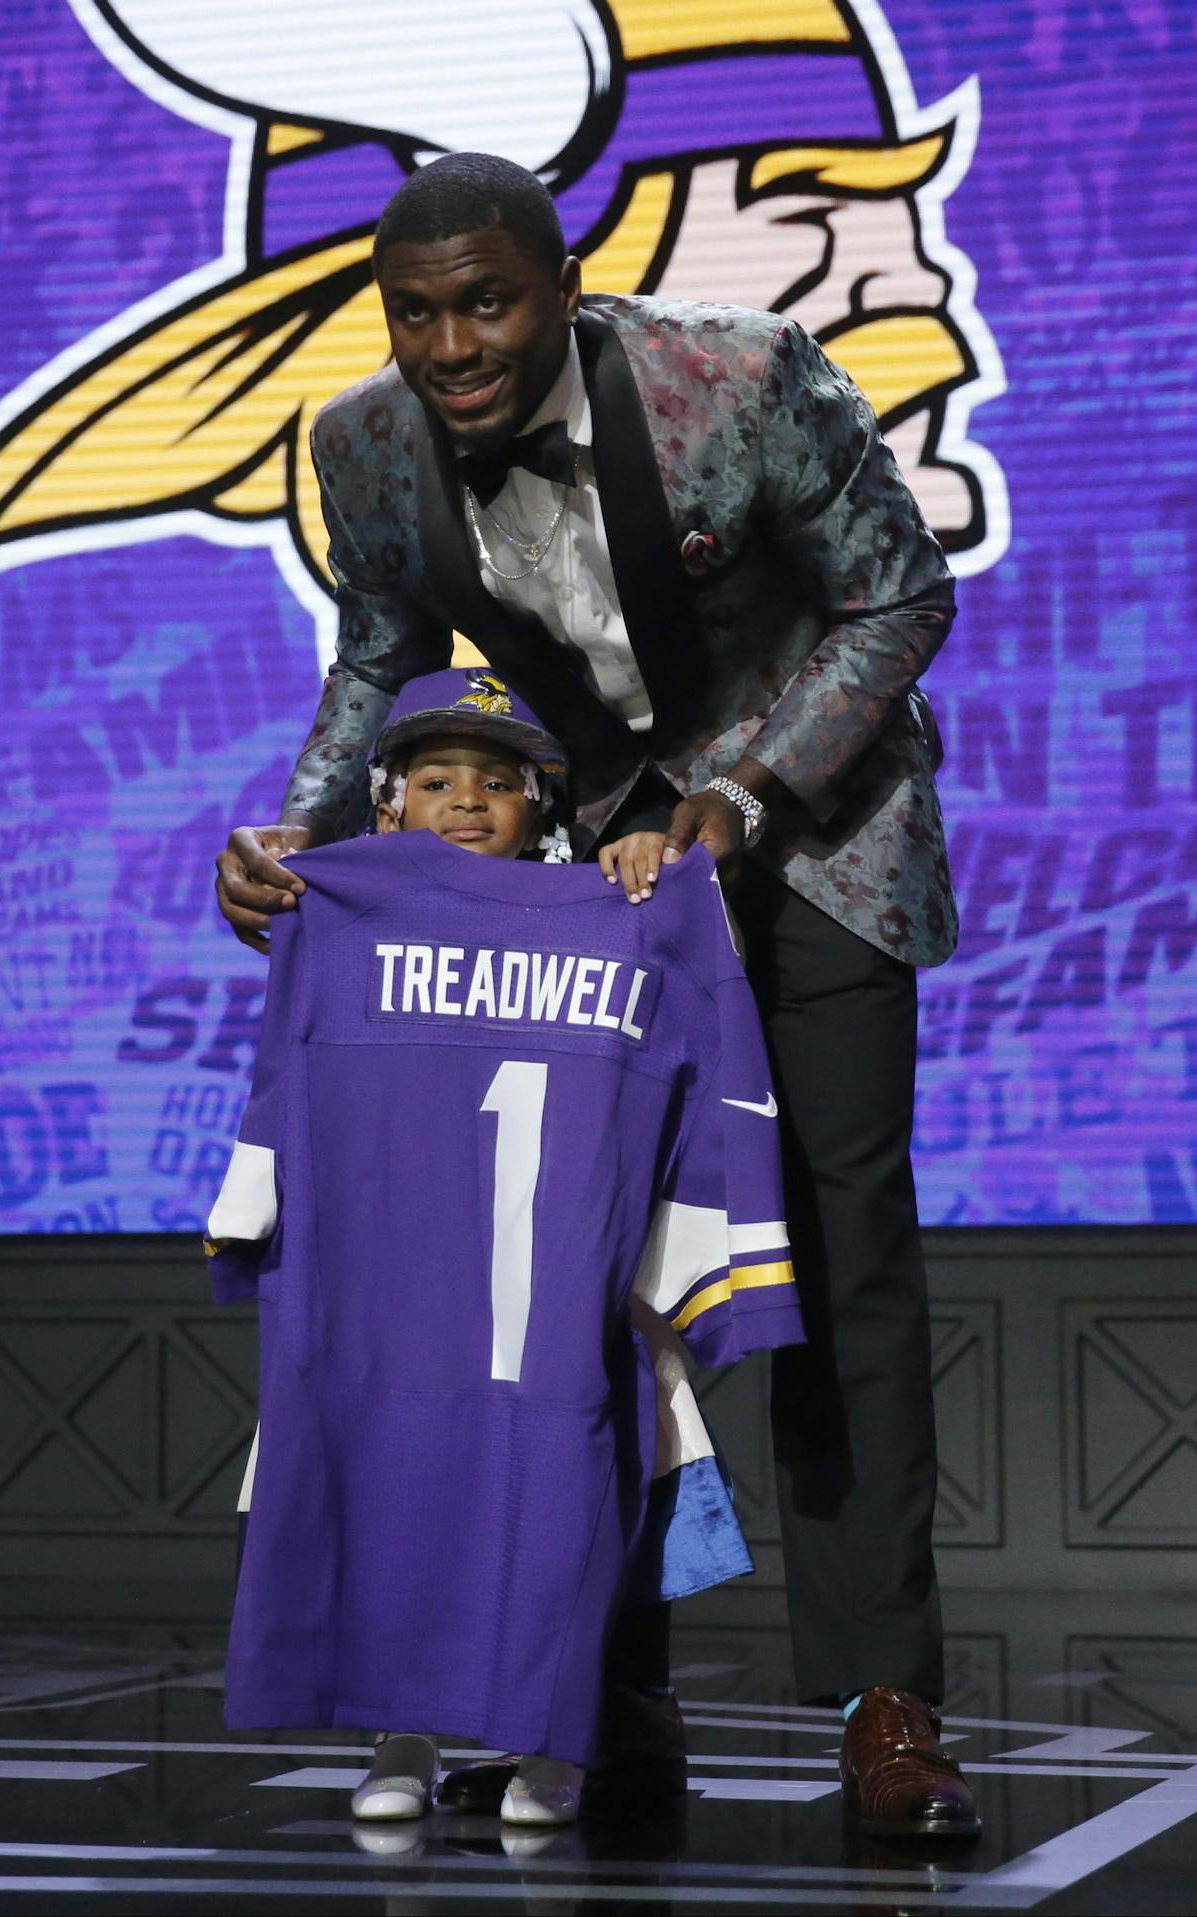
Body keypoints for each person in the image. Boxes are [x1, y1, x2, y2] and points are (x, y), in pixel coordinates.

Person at [215, 151, 979, 1839]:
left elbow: (896, 593)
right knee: (592, 1273)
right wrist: (304, 833)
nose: (450, 344)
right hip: (602, 887)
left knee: (834, 1256)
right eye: (413, 314)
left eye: (483, 302)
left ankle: (885, 1708)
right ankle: (595, 1689)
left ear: (560, 285)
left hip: (818, 842)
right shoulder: (363, 444)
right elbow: (374, 656)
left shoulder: (735, 376)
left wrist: (750, 791)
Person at [207, 666, 802, 1827]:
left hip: (557, 1295)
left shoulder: (623, 903)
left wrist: (650, 877)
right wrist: (254, 1205)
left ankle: (552, 1736)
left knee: (562, 1503)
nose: (465, 801)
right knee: (389, 1486)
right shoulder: (337, 914)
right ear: (385, 806)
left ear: (546, 805)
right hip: (395, 1294)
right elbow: (283, 1071)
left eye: (498, 781)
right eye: (434, 779)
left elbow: (707, 1059)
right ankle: (401, 1732)